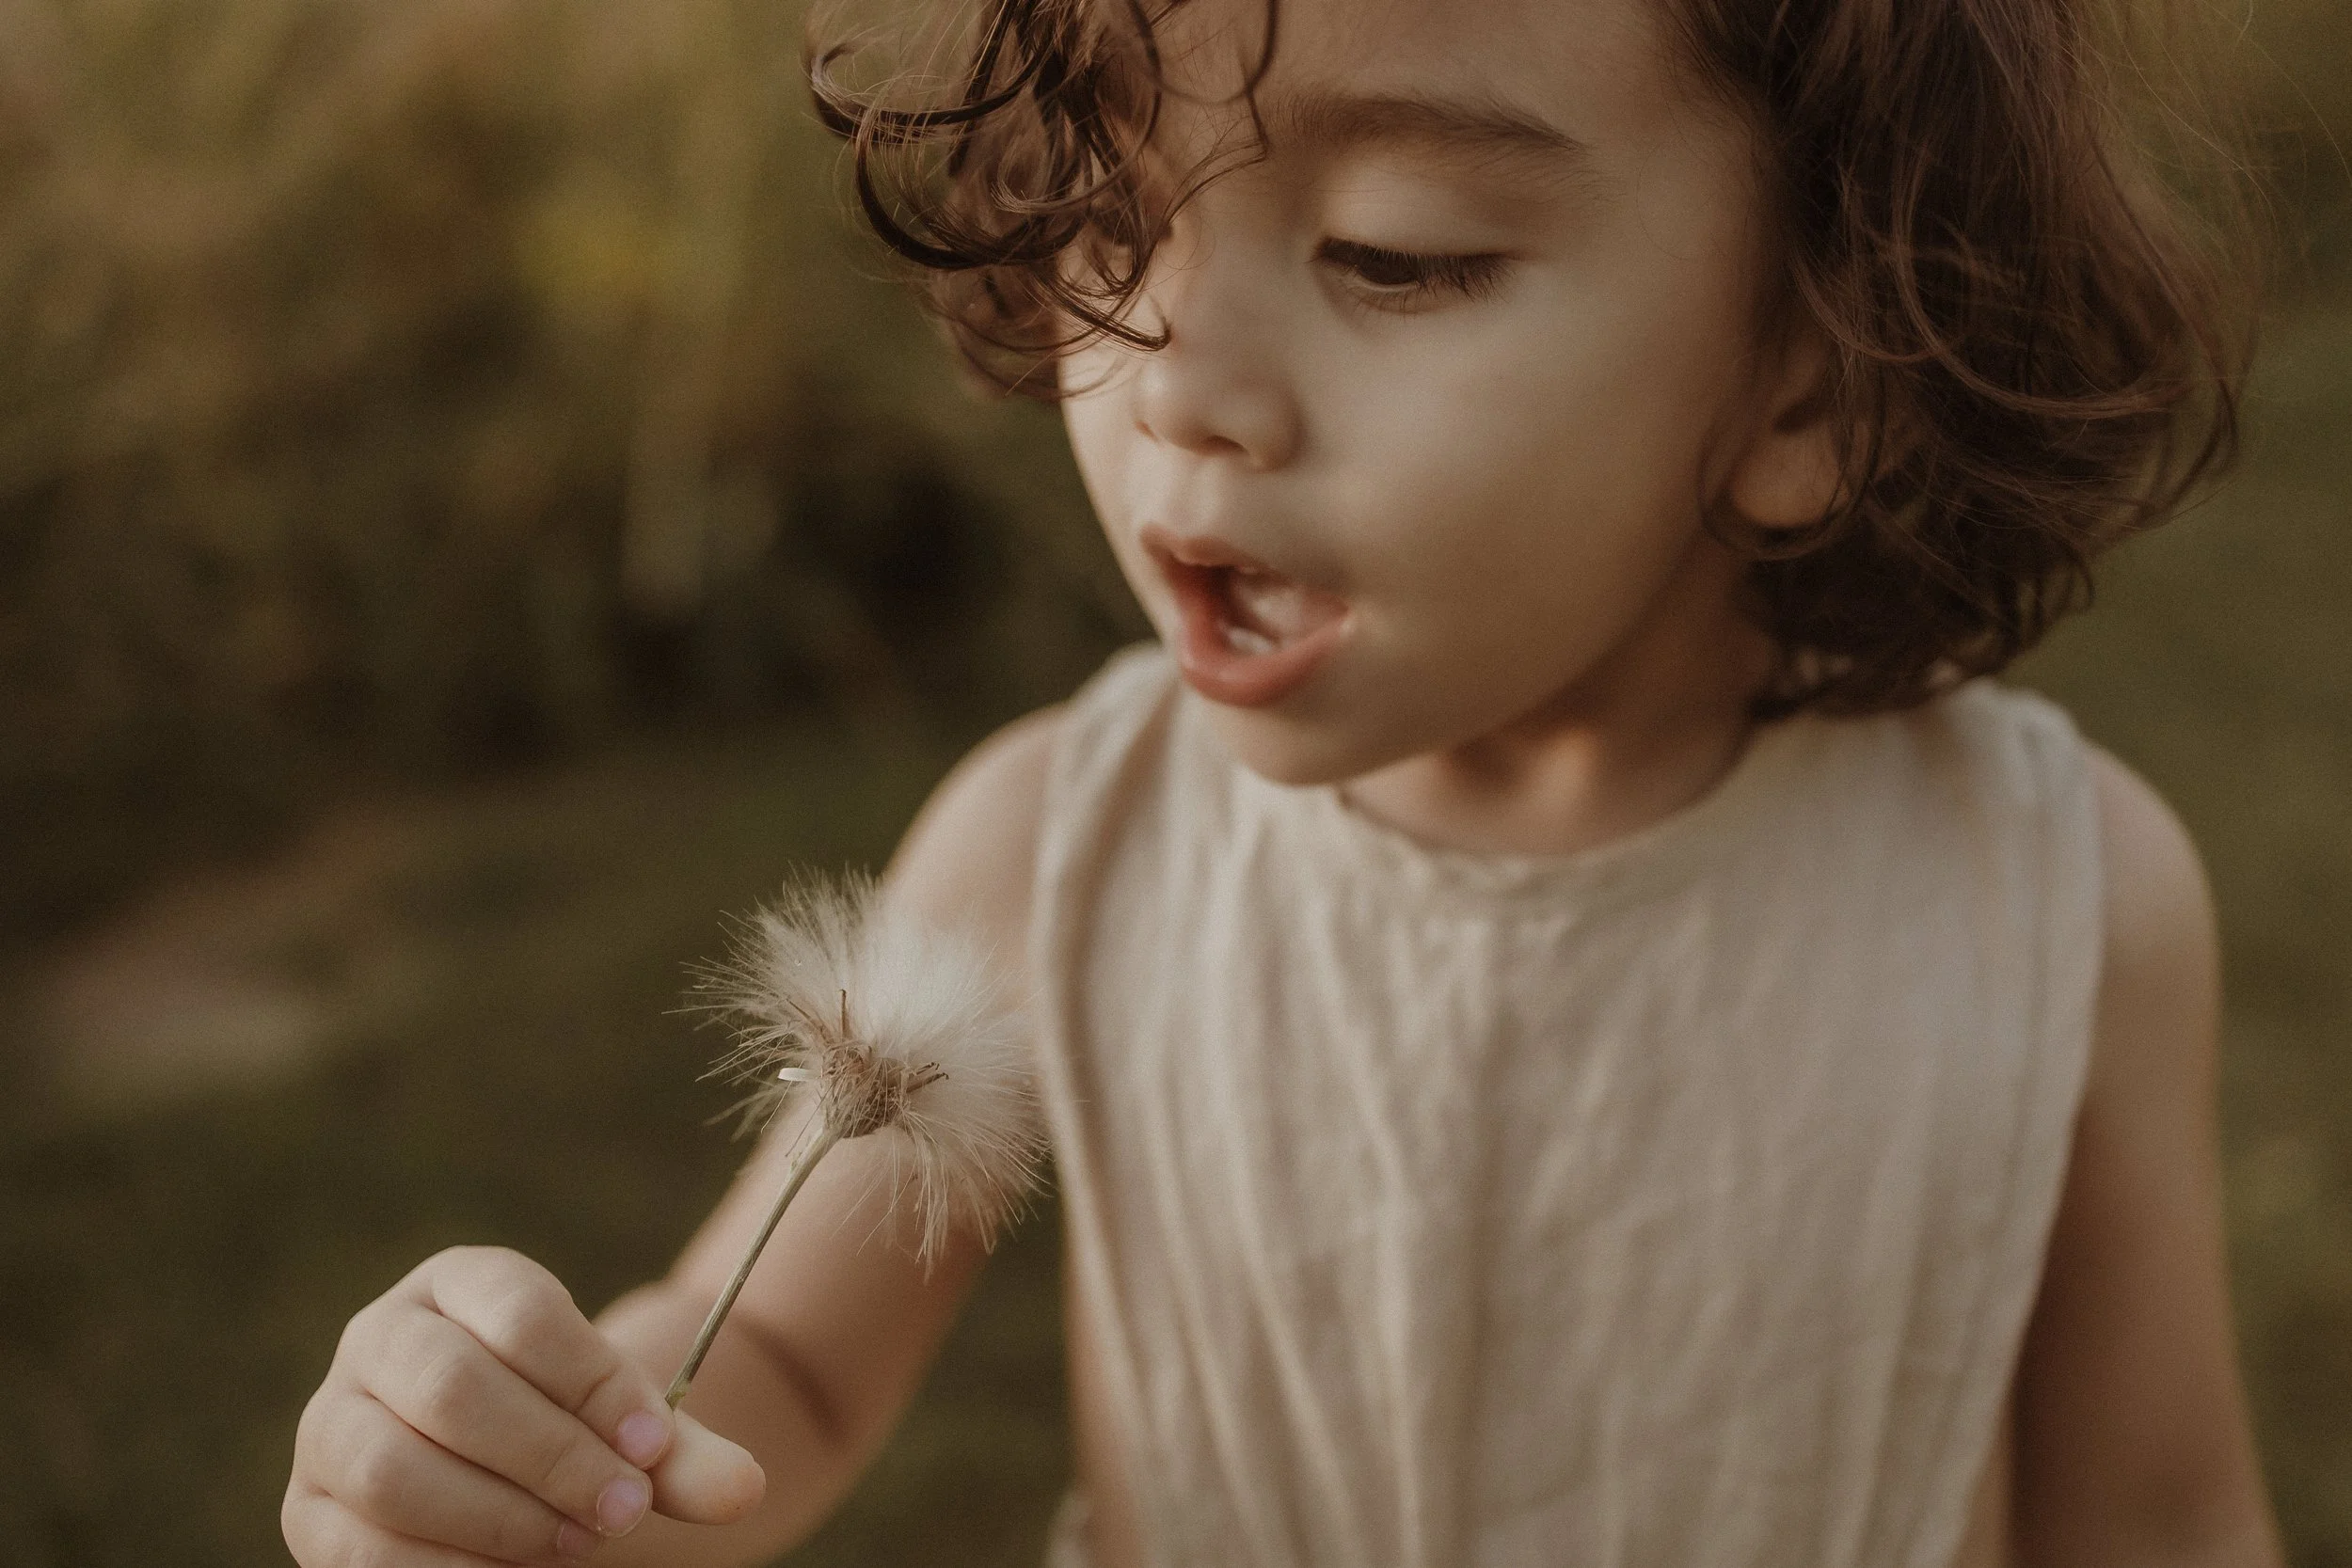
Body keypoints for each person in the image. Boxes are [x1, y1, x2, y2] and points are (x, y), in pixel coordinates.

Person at [281, 0, 2287, 1562]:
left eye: (1391, 255)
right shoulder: (1045, 853)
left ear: (1811, 373)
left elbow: (2157, 1517)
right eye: (1106, 213)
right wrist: (532, 1443)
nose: (1176, 377)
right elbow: (776, 1357)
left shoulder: (2051, 901)